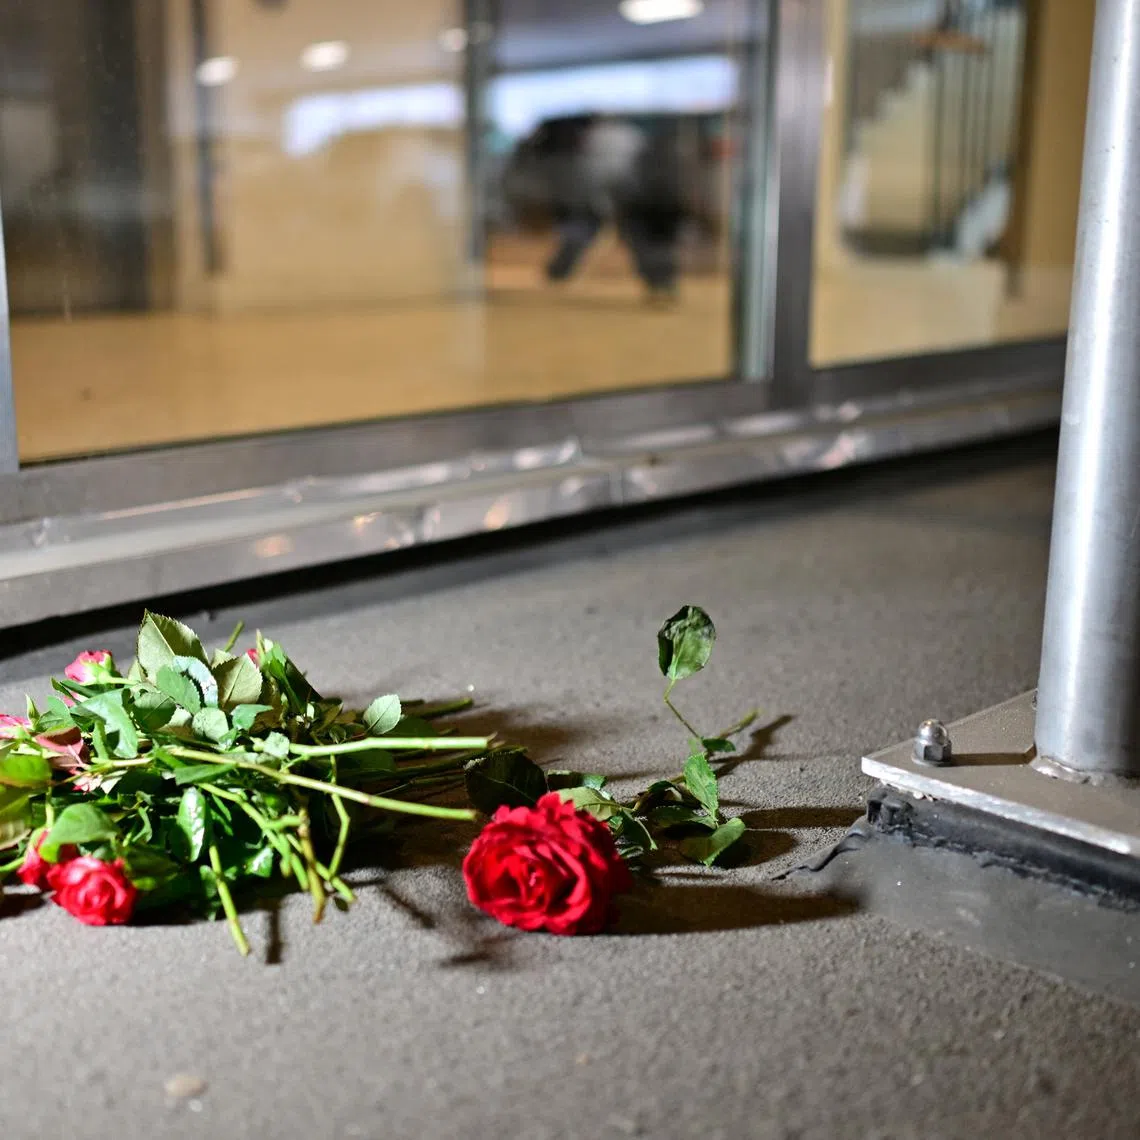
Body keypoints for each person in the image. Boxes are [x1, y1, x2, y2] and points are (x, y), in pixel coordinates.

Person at [504, 113, 686, 300]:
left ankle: (559, 271)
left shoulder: (592, 138)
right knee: (643, 239)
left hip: (605, 193)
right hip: (626, 193)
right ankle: (661, 281)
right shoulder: (630, 135)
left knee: (586, 231)